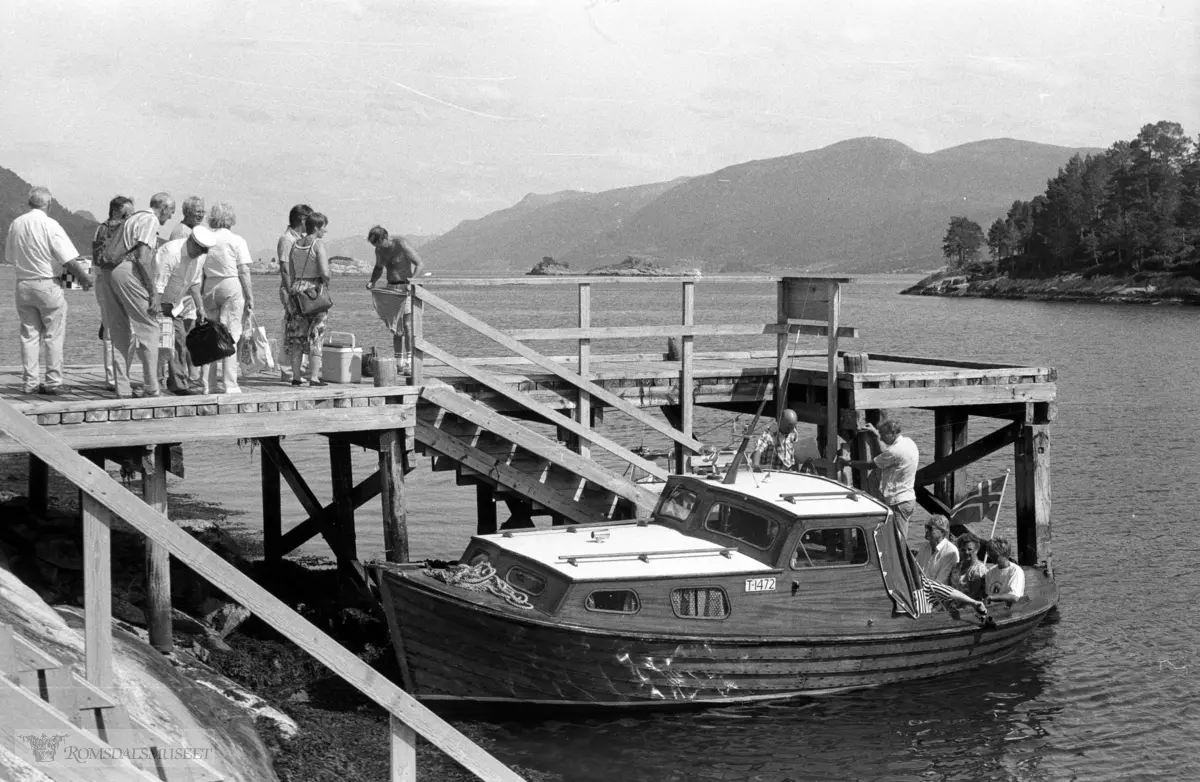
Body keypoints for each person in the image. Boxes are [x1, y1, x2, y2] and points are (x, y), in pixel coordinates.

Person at [6, 186, 94, 395]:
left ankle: (30, 383)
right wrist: (84, 277)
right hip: (46, 283)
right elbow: (67, 257)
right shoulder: (50, 224)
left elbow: (10, 257)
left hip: (23, 284)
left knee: (29, 336)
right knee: (53, 335)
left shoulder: (16, 224)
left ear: (30, 203)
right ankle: (54, 382)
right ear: (49, 204)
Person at [95, 191, 173, 398]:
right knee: (149, 328)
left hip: (108, 273)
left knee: (120, 332)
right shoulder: (150, 220)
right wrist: (153, 293)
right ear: (163, 208)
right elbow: (143, 257)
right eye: (171, 211)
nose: (171, 217)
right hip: (126, 270)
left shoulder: (134, 217)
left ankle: (122, 387)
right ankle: (151, 387)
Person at [201, 202, 254, 394]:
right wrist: (249, 297)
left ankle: (208, 384)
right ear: (231, 219)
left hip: (209, 285)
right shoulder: (236, 240)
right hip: (230, 284)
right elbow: (244, 270)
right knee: (230, 336)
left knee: (210, 337)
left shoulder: (206, 239)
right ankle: (230, 384)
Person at [156, 225, 216, 394]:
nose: (201, 253)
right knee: (161, 343)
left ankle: (177, 384)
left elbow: (195, 282)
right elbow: (158, 284)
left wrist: (200, 307)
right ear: (191, 242)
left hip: (175, 304)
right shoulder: (170, 253)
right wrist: (161, 311)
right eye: (200, 249)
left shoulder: (200, 257)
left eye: (205, 250)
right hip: (157, 301)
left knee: (179, 342)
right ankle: (158, 382)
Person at [840, 419, 919, 539]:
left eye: (883, 435)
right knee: (896, 538)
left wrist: (848, 462)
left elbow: (870, 464)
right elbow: (887, 453)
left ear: (892, 433)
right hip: (908, 499)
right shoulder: (909, 442)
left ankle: (902, 558)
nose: (881, 439)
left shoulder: (894, 451)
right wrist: (876, 433)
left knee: (899, 541)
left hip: (898, 501)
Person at [284, 212, 332, 386]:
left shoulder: (295, 244)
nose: (325, 231)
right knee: (316, 334)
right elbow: (325, 272)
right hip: (314, 292)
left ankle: (296, 377)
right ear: (317, 227)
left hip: (297, 291)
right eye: (324, 227)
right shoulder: (318, 244)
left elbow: (292, 271)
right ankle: (313, 377)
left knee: (296, 336)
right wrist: (325, 282)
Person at [366, 225, 424, 368]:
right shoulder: (379, 250)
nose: (376, 246)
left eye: (377, 242)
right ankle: (399, 361)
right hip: (391, 288)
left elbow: (420, 264)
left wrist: (412, 282)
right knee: (395, 327)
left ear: (385, 237)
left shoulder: (401, 244)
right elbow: (379, 268)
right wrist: (372, 281)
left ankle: (410, 361)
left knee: (408, 326)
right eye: (373, 244)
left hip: (405, 288)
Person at [92, 196, 134, 391]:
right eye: (128, 213)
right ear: (118, 211)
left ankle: (113, 376)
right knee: (127, 330)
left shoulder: (100, 229)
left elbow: (96, 260)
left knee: (110, 329)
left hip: (103, 280)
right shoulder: (126, 230)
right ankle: (119, 375)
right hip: (120, 279)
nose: (130, 217)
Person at [276, 204, 312, 382]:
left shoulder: (299, 238)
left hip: (299, 288)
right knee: (291, 328)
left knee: (300, 328)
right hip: (291, 289)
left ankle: (297, 367)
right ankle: (288, 370)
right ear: (303, 220)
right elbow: (284, 267)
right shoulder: (287, 239)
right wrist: (291, 291)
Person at [915, 515, 959, 584]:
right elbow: (915, 570)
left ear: (942, 532)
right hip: (919, 587)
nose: (926, 530)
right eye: (926, 527)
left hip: (936, 592)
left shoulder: (951, 552)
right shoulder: (924, 546)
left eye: (930, 528)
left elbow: (940, 582)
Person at [983, 537, 1025, 606]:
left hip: (1011, 609)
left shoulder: (1015, 571)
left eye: (995, 555)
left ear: (1005, 555)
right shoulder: (990, 571)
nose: (991, 557)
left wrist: (992, 598)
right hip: (994, 609)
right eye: (990, 554)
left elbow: (1014, 597)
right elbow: (988, 593)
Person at [949, 532, 990, 600]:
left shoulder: (979, 569)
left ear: (976, 550)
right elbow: (950, 587)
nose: (966, 552)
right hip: (952, 602)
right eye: (963, 550)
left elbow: (974, 594)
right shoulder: (956, 567)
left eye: (969, 549)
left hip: (969, 605)